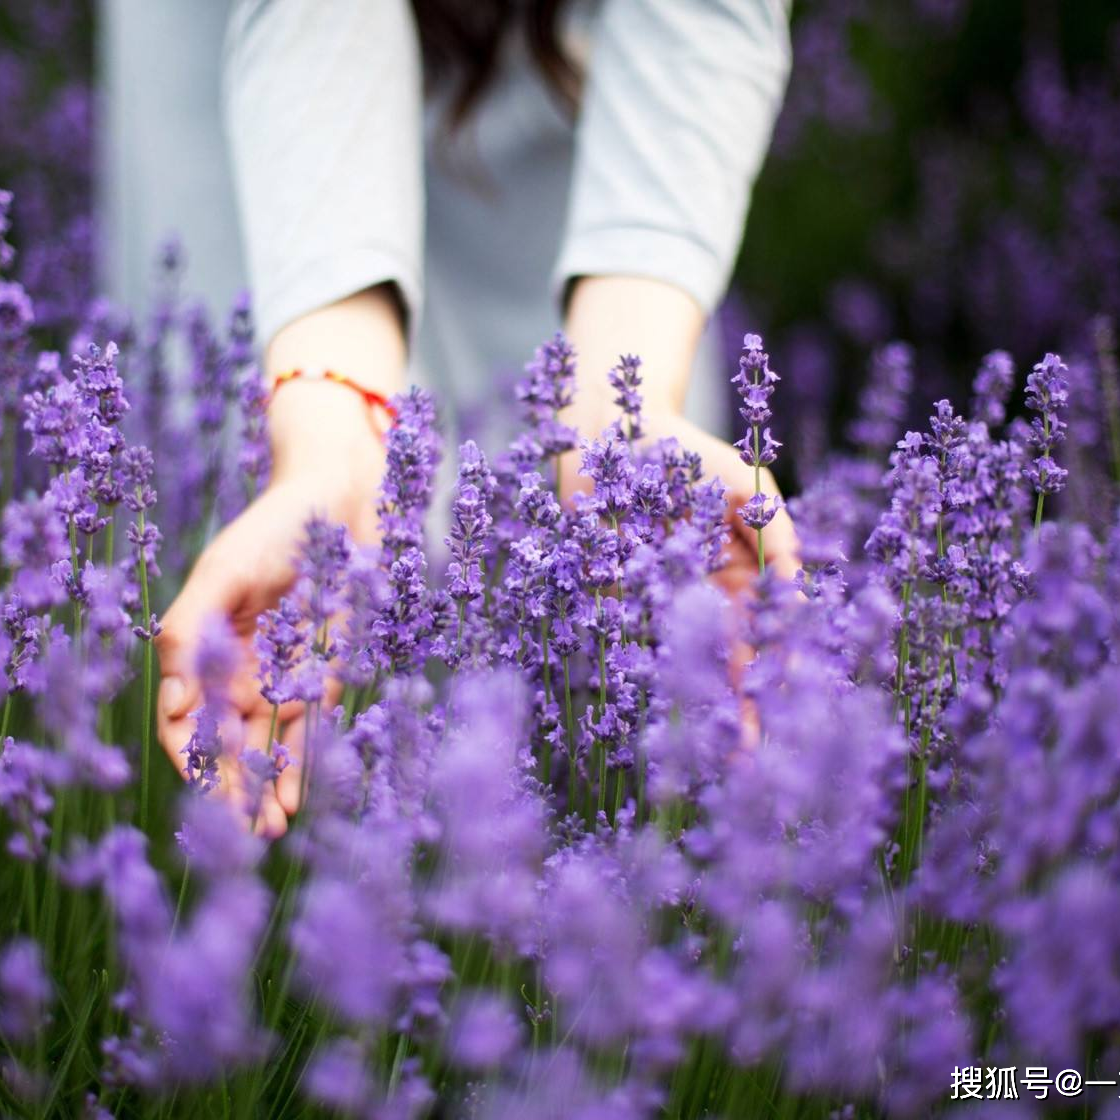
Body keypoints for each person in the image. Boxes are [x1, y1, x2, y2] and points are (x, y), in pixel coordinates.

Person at [103, 0, 800, 834]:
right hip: (266, 59)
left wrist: (619, 409)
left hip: (575, 65)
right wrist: (328, 431)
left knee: (604, 560)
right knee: (252, 428)